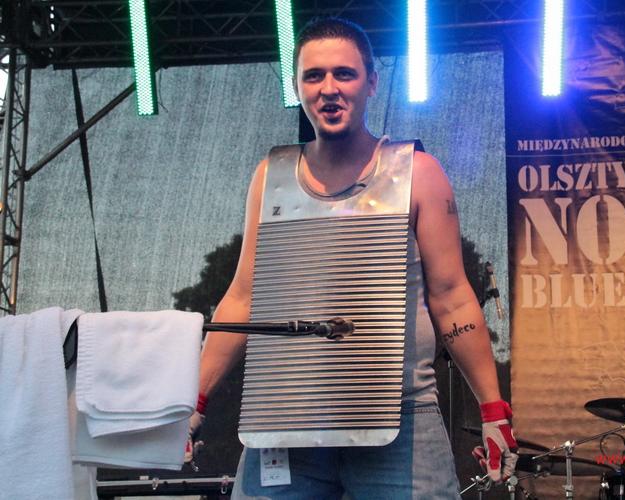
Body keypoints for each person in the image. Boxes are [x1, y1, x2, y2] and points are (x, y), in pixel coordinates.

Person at [188, 16, 518, 499]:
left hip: (399, 416)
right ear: (297, 87)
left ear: (371, 83)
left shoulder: (419, 173)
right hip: (286, 418)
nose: (329, 89)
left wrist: (493, 410)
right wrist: (193, 403)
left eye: (344, 74)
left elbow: (452, 297)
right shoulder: (270, 177)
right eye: (313, 76)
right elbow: (244, 297)